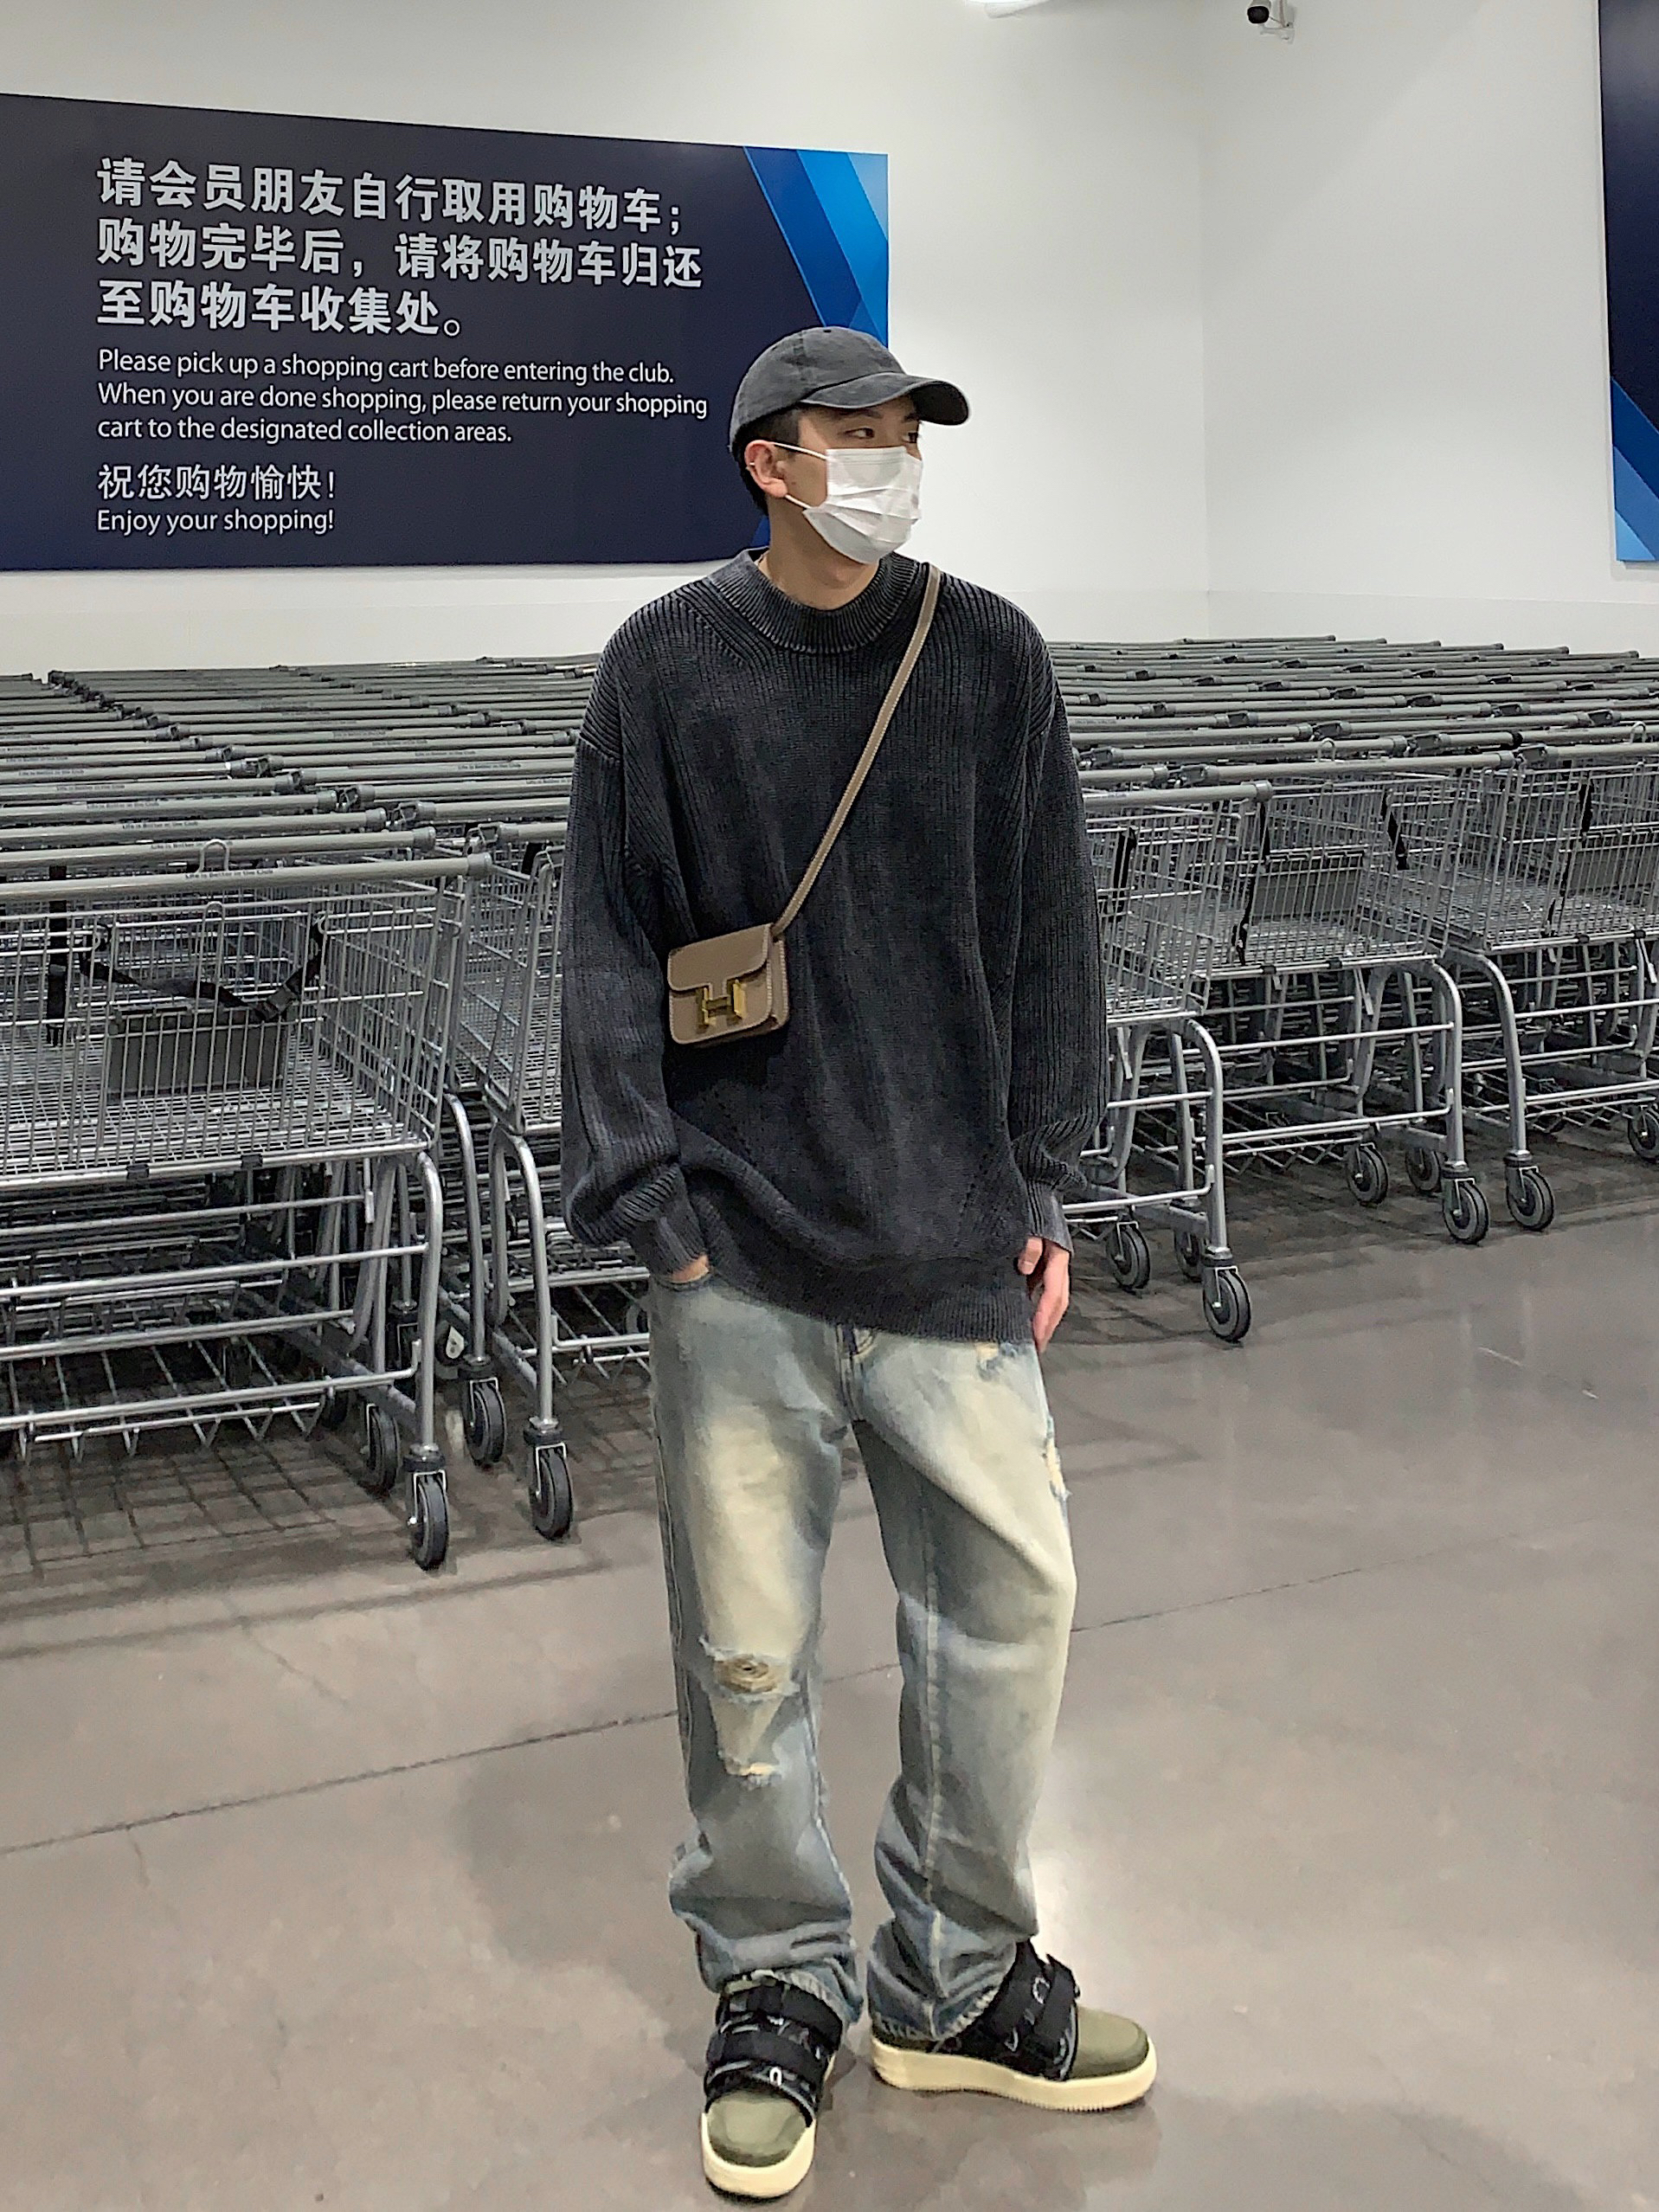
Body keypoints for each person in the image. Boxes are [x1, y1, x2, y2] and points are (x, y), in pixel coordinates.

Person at [560, 325, 1154, 2201]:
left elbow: (1050, 923)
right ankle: (774, 1985)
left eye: (904, 432)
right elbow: (606, 936)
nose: (887, 460)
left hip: (952, 1237)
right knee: (744, 1656)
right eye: (853, 432)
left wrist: (1043, 1173)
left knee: (1005, 1626)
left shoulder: (985, 658)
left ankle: (958, 1977)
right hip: (738, 1250)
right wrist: (648, 1203)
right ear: (769, 461)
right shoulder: (666, 669)